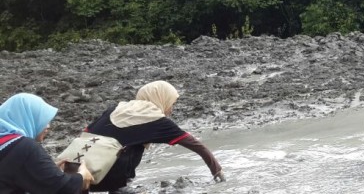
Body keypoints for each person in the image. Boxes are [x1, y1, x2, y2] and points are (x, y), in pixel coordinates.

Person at [84, 81, 224, 192]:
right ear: (162, 99)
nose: (171, 109)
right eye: (171, 103)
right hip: (100, 179)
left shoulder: (115, 108)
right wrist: (217, 171)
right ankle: (118, 188)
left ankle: (116, 186)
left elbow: (86, 131)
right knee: (135, 146)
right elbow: (196, 145)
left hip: (77, 175)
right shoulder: (157, 121)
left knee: (122, 141)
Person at [0, 93, 94, 193]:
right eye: (42, 120)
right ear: (28, 118)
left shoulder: (6, 144)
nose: (48, 126)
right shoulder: (25, 147)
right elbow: (64, 189)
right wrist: (82, 177)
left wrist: (43, 170)